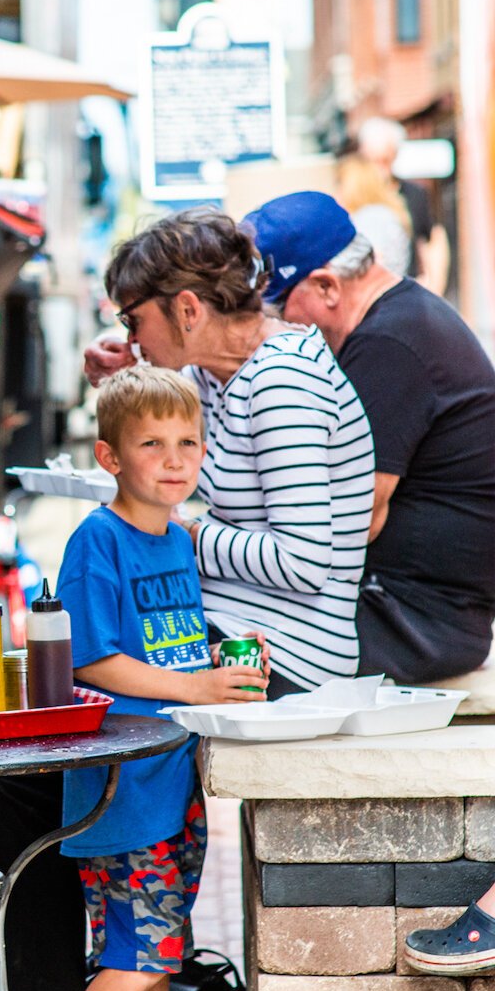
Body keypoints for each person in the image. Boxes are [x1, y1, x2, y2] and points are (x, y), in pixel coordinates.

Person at [33, 367, 257, 991]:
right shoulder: (98, 540)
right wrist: (194, 686)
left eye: (187, 442)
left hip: (174, 778)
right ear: (109, 456)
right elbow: (91, 661)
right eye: (151, 444)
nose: (173, 459)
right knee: (140, 950)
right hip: (122, 788)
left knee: (157, 951)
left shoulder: (179, 539)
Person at [101, 209, 374, 695]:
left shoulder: (282, 383)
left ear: (187, 310)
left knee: (79, 682)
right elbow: (152, 422)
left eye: (133, 319)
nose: (132, 339)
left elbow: (303, 562)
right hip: (225, 628)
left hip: (285, 656)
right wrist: (119, 377)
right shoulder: (213, 374)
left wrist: (183, 534)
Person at [242, 191, 495, 685]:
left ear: (327, 287)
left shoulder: (388, 345)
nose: (275, 323)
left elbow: (354, 521)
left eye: (278, 306)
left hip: (416, 619)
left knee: (220, 652)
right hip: (415, 608)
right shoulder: (400, 319)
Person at [357, 116, 450, 295]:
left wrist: (434, 286)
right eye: (373, 160)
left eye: (385, 160)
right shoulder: (353, 197)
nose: (379, 168)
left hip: (405, 293)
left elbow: (433, 239)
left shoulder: (414, 194)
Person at [336, 153, 412, 277]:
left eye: (340, 184)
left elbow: (371, 261)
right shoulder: (383, 214)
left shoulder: (371, 217)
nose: (337, 192)